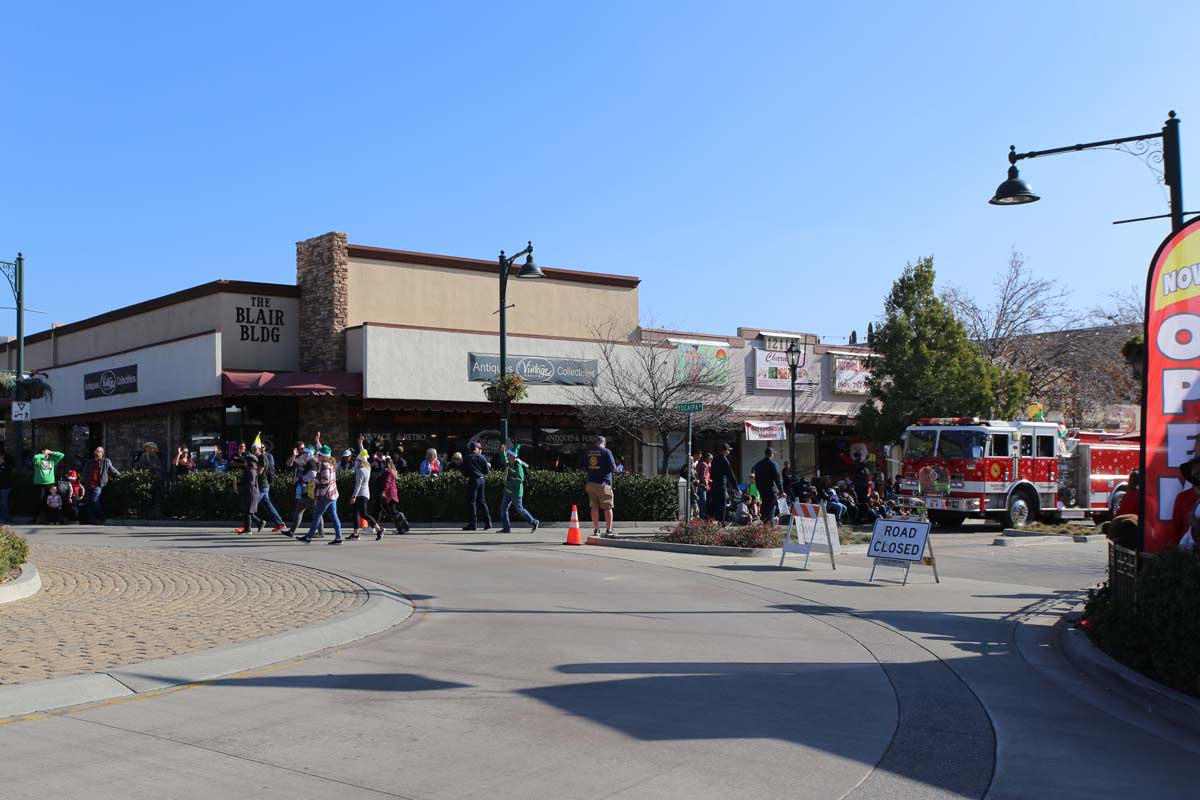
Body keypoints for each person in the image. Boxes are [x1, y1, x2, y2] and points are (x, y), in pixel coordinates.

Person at [299, 445, 344, 545]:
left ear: (323, 456)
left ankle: (308, 537)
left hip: (325, 495)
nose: (317, 456)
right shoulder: (331, 464)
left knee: (317, 515)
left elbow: (325, 480)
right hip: (333, 494)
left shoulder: (324, 465)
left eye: (319, 455)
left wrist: (315, 479)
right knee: (334, 516)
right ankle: (339, 537)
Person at [285, 443, 322, 538]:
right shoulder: (311, 461)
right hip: (308, 488)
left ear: (309, 453)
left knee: (313, 511)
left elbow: (313, 474)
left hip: (310, 488)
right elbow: (290, 464)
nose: (303, 453)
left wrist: (301, 478)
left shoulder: (311, 462)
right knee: (302, 509)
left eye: (305, 452)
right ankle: (292, 531)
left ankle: (320, 532)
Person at [499, 449, 539, 533]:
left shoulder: (518, 465)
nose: (507, 455)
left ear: (512, 456)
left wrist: (508, 483)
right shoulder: (509, 463)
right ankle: (506, 528)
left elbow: (520, 479)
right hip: (508, 491)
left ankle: (534, 522)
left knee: (520, 509)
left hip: (516, 492)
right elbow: (504, 460)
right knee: (503, 509)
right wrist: (502, 452)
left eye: (508, 454)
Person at [584, 435, 617, 536]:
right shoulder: (607, 452)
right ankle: (609, 530)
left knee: (594, 507)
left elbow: (585, 467)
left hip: (591, 483)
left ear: (595, 443)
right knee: (607, 507)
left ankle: (596, 529)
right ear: (604, 443)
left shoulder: (589, 452)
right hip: (603, 483)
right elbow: (613, 467)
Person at [81, 446, 118, 524]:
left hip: (98, 485)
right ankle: (92, 519)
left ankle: (101, 515)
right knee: (88, 502)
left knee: (95, 500)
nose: (96, 453)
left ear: (102, 453)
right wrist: (82, 480)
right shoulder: (90, 462)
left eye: (98, 451)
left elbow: (113, 469)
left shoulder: (106, 461)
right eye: (95, 451)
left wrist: (120, 476)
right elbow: (84, 472)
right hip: (88, 484)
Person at [461, 440, 492, 531]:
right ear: (476, 449)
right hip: (481, 480)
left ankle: (473, 524)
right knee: (482, 502)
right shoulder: (482, 458)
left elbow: (463, 471)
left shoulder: (467, 457)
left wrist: (468, 475)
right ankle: (488, 522)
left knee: (472, 502)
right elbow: (486, 471)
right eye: (480, 448)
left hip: (473, 480)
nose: (480, 450)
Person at [350, 452, 382, 540]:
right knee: (355, 513)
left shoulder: (361, 471)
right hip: (364, 494)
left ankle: (379, 529)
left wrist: (353, 496)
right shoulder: (367, 468)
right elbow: (364, 455)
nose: (356, 461)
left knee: (364, 514)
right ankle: (355, 533)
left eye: (357, 460)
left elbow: (358, 485)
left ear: (360, 461)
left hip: (361, 494)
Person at [30, 448, 65, 525]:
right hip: (39, 483)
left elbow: (62, 455)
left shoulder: (52, 460)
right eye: (44, 452)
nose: (46, 453)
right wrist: (44, 455)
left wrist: (51, 452)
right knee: (39, 501)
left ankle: (49, 518)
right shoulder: (38, 461)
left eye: (47, 452)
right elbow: (35, 457)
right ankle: (36, 518)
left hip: (50, 483)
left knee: (50, 501)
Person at [378, 456, 410, 537]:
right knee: (392, 512)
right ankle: (400, 528)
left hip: (389, 494)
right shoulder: (392, 471)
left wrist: (383, 491)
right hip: (392, 494)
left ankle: (401, 527)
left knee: (393, 512)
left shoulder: (388, 471)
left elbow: (387, 483)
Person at [752, 447, 785, 526]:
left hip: (762, 489)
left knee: (764, 505)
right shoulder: (773, 464)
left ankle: (763, 521)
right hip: (770, 489)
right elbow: (777, 478)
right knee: (771, 507)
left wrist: (758, 487)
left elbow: (756, 476)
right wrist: (781, 491)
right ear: (771, 454)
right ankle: (769, 523)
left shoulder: (758, 464)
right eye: (773, 454)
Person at [234, 452, 263, 534]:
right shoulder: (249, 469)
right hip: (249, 492)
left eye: (245, 460)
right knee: (247, 511)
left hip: (251, 492)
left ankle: (248, 529)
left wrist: (240, 487)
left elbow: (251, 483)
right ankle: (257, 524)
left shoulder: (251, 470)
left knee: (248, 511)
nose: (244, 462)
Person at [708, 443, 737, 524]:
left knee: (714, 503)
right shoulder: (724, 459)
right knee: (722, 504)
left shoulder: (715, 458)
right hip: (721, 484)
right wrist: (736, 487)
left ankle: (708, 520)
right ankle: (721, 522)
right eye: (728, 450)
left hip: (714, 484)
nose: (729, 452)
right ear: (725, 450)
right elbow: (730, 474)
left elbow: (711, 473)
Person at [695, 452, 711, 520]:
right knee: (703, 501)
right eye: (710, 459)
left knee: (700, 501)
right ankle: (702, 516)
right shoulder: (704, 465)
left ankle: (700, 515)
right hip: (702, 485)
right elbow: (703, 476)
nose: (711, 460)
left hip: (699, 484)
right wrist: (707, 485)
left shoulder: (700, 463)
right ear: (707, 458)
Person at [0, 451, 10, 524]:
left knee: (3, 503)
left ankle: (4, 518)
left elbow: (5, 476)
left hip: (5, 487)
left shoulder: (6, 465)